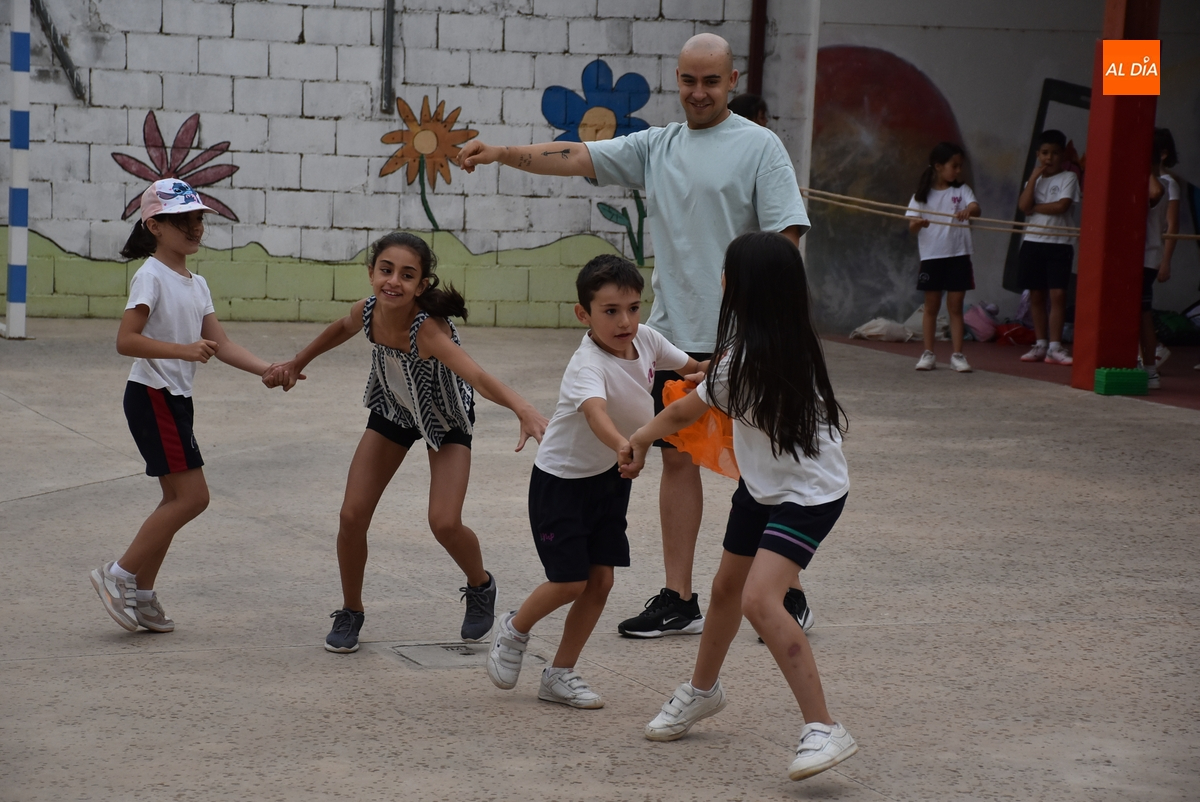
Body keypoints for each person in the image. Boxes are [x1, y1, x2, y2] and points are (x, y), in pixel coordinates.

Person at [456, 33, 810, 639]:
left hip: (742, 339)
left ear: (732, 81)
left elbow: (786, 243)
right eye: (689, 81)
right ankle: (679, 597)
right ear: (677, 79)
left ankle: (787, 590)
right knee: (678, 462)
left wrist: (759, 330)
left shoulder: (762, 147)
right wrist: (499, 153)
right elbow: (571, 156)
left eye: (712, 82)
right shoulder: (657, 146)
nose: (699, 93)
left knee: (765, 464)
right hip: (674, 337)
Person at [619, 232, 855, 782]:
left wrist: (638, 438)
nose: (720, 280)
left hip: (806, 496)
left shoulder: (741, 362)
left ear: (738, 287)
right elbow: (723, 383)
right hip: (765, 486)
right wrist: (708, 375)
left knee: (759, 599)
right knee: (726, 589)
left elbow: (683, 417)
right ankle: (702, 692)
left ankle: (823, 726)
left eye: (726, 272)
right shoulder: (775, 344)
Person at [267, 232, 547, 653]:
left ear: (422, 285)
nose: (393, 281)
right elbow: (338, 329)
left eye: (407, 274)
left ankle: (480, 585)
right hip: (393, 410)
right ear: (371, 273)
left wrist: (521, 407)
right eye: (386, 270)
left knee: (444, 523)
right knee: (351, 516)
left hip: (445, 417)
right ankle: (351, 611)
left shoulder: (429, 331)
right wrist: (295, 363)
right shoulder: (367, 313)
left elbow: (479, 378)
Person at [486, 255, 707, 707]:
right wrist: (626, 447)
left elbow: (692, 369)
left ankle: (559, 674)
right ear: (583, 314)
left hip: (607, 480)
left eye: (633, 307)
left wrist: (722, 376)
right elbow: (597, 416)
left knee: (600, 581)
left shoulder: (646, 339)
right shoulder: (586, 365)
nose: (625, 320)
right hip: (562, 485)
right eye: (610, 311)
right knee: (569, 582)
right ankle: (514, 630)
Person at [91, 179, 285, 633]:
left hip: (175, 399)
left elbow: (221, 344)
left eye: (197, 218)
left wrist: (267, 370)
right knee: (194, 498)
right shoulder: (151, 274)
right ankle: (117, 575)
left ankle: (141, 593)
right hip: (151, 396)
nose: (195, 227)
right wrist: (183, 351)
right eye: (182, 220)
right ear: (154, 225)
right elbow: (126, 341)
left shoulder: (197, 284)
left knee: (175, 499)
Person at [906, 142, 982, 373]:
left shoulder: (961, 191)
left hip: (959, 255)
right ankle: (928, 353)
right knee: (931, 305)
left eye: (960, 166)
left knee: (956, 306)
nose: (958, 171)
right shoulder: (920, 196)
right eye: (954, 166)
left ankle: (957, 355)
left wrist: (969, 211)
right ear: (938, 166)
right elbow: (912, 227)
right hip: (932, 256)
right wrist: (918, 223)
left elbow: (975, 207)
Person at [1016, 129, 1080, 365]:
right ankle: (1040, 344)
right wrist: (1033, 179)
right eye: (1044, 153)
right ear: (1037, 154)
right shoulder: (1034, 180)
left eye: (1054, 153)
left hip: (1059, 244)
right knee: (1036, 294)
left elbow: (1062, 206)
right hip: (1033, 242)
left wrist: (1037, 207)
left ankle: (1055, 347)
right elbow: (1024, 205)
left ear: (1062, 154)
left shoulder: (1069, 177)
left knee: (1058, 294)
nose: (1049, 158)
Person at [1139, 128, 1181, 390]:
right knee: (1138, 312)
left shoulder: (1163, 184)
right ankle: (1146, 366)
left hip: (1147, 257)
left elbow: (1154, 194)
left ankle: (1150, 369)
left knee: (1142, 313)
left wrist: (1146, 169)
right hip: (1139, 256)